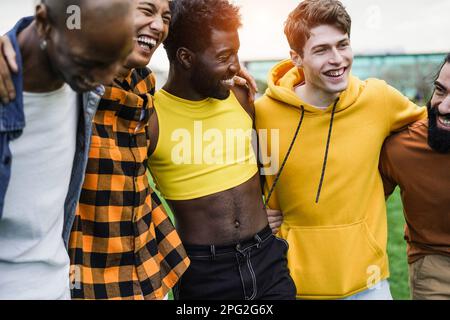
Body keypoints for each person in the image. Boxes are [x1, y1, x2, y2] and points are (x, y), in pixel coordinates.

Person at [255, 0, 426, 300]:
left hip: (369, 284)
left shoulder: (379, 99)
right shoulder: (263, 112)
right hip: (290, 284)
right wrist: (254, 213)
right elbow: (237, 176)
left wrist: (385, 178)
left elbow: (430, 133)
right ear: (296, 57)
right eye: (321, 50)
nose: (337, 59)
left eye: (342, 45)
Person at [147, 0, 296, 300]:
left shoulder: (240, 96)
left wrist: (266, 205)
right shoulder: (152, 118)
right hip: (204, 273)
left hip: (267, 259)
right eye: (224, 56)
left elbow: (262, 160)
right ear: (186, 58)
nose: (235, 66)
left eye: (237, 53)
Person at [0, 0, 134, 299]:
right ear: (44, 23)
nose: (106, 78)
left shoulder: (83, 84)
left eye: (116, 60)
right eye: (91, 63)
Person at [380, 53, 450, 300]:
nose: (443, 106)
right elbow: (357, 202)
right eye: (440, 91)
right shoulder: (402, 147)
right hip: (435, 266)